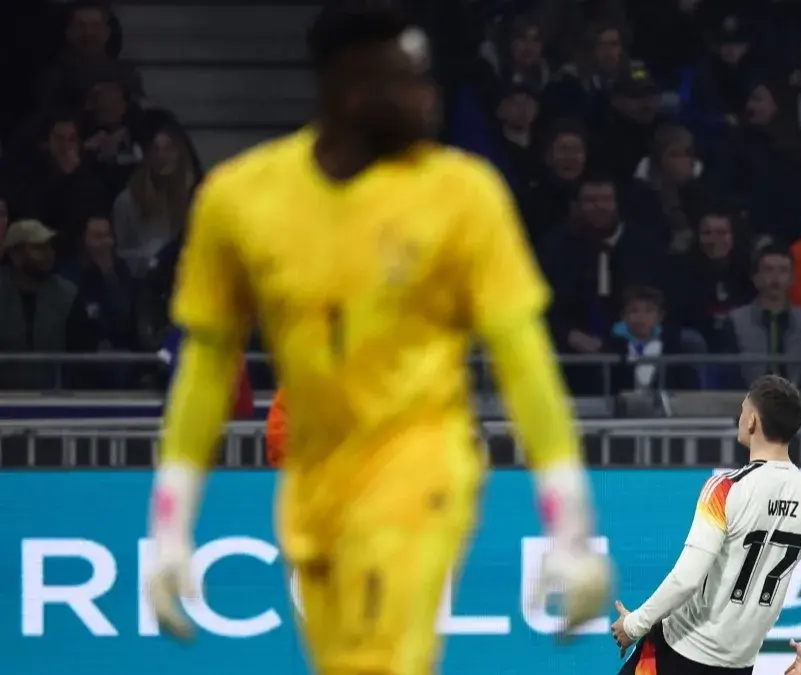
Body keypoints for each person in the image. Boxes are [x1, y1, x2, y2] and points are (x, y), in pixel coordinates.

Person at [143, 7, 611, 675]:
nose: (427, 97)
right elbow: (208, 360)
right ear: (349, 86)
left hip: (421, 465)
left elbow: (524, 360)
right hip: (312, 483)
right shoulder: (240, 199)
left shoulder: (462, 194)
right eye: (407, 79)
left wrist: (569, 518)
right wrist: (169, 521)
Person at [611, 375, 801, 675]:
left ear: (752, 421)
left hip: (678, 653)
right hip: (738, 665)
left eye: (743, 409)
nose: (740, 416)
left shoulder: (726, 489)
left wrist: (633, 625)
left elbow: (687, 579)